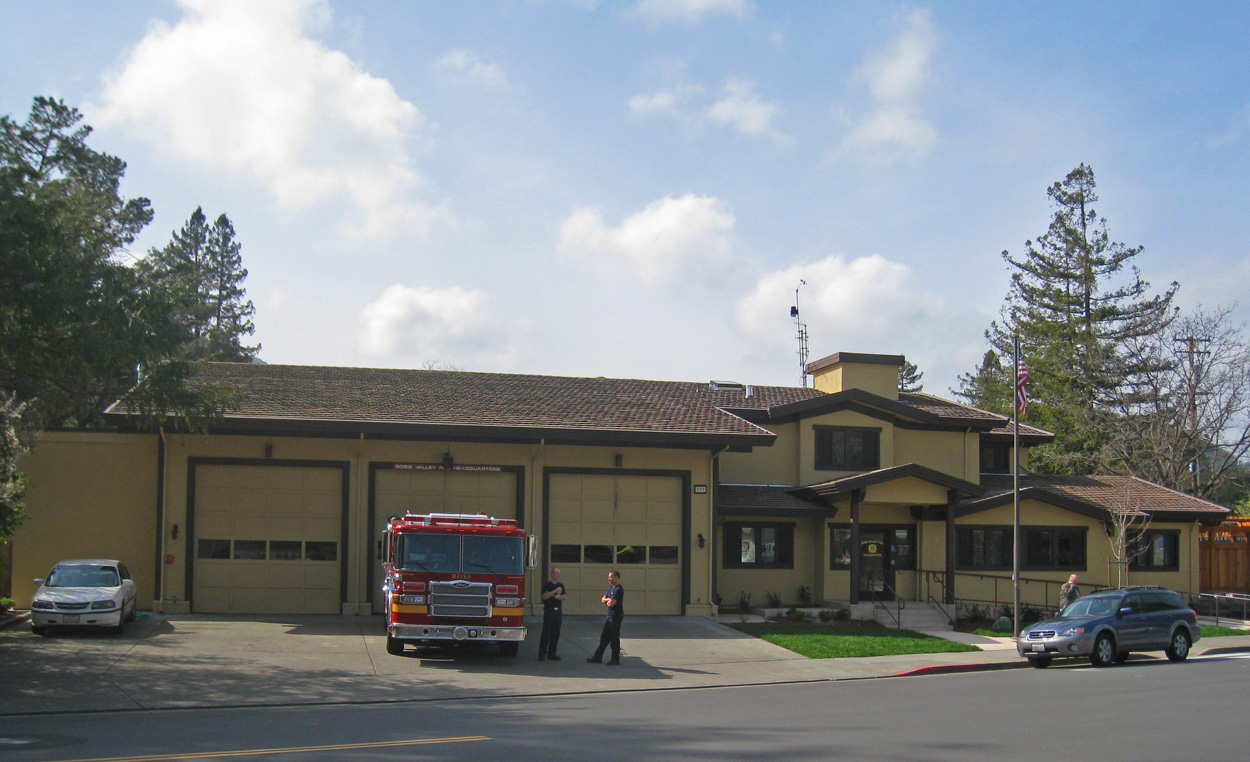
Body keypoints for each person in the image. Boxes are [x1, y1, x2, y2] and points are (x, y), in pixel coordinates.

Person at [587, 569, 624, 665]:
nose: (609, 578)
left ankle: (615, 658)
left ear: (616, 578)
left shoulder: (618, 589)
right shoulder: (611, 589)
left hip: (615, 617)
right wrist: (608, 599)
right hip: (609, 617)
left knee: (614, 637)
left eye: (611, 577)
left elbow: (611, 603)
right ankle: (597, 657)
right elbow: (603, 599)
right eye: (609, 577)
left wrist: (608, 600)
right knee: (604, 637)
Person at [537, 567, 566, 661]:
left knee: (556, 633)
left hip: (558, 611)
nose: (559, 575)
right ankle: (542, 654)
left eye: (559, 573)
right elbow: (544, 596)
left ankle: (552, 653)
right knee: (546, 632)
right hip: (549, 611)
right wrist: (554, 592)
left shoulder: (561, 585)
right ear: (552, 575)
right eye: (557, 573)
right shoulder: (547, 585)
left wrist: (557, 596)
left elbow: (564, 597)